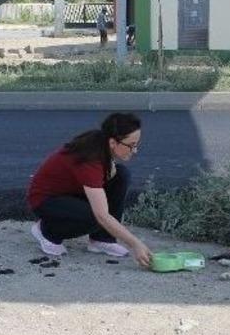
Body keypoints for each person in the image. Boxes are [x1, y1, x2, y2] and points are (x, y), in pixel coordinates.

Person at [27, 112, 152, 268]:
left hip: (72, 192)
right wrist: (136, 244)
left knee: (121, 175)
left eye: (136, 145)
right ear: (113, 142)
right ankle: (46, 231)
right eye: (131, 145)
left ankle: (102, 239)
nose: (135, 151)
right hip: (46, 200)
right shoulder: (90, 159)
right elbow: (102, 216)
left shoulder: (101, 142)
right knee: (95, 217)